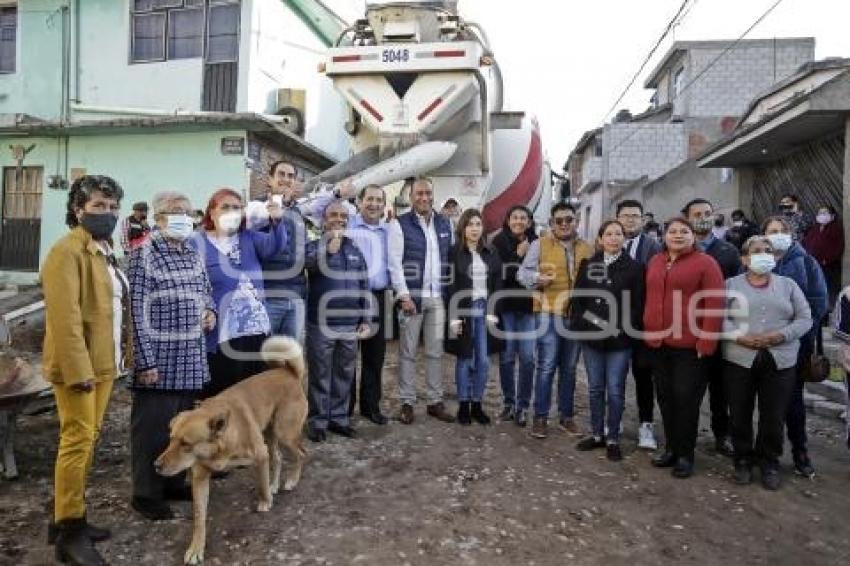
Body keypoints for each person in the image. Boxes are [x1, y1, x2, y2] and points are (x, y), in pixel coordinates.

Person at [42, 175, 128, 565]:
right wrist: (79, 371)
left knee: (87, 439)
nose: (107, 214)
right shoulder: (66, 252)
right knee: (77, 442)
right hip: (82, 368)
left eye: (112, 207)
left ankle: (66, 518)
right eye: (98, 206)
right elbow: (65, 320)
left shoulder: (103, 249)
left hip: (104, 363)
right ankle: (69, 534)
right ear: (78, 210)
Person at [128, 191, 216, 520]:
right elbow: (135, 312)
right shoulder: (144, 254)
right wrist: (144, 362)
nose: (182, 216)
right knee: (151, 429)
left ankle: (173, 482)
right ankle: (145, 493)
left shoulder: (192, 251)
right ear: (159, 218)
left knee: (180, 427)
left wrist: (210, 310)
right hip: (159, 361)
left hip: (190, 358)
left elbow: (206, 289)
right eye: (173, 211)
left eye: (186, 211)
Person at [722, 236, 812, 490]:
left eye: (768, 251)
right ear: (744, 258)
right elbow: (718, 317)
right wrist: (740, 337)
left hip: (780, 359)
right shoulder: (730, 285)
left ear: (776, 256)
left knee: (773, 415)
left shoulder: (788, 285)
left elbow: (805, 318)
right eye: (756, 251)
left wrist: (780, 335)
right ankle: (742, 459)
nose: (763, 254)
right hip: (739, 357)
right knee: (739, 412)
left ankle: (769, 461)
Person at [644, 218, 724, 479]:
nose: (678, 235)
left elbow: (715, 304)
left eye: (684, 231)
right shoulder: (656, 261)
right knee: (665, 398)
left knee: (686, 400)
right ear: (664, 236)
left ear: (693, 236)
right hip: (659, 343)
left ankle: (686, 455)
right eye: (673, 231)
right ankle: (671, 449)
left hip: (691, 346)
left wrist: (707, 341)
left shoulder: (706, 263)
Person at [191, 188, 286, 397]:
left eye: (236, 207)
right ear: (212, 212)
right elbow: (190, 282)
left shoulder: (249, 237)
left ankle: (248, 429)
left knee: (252, 391)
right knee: (222, 391)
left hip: (255, 328)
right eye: (225, 207)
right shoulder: (196, 241)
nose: (232, 211)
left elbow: (276, 245)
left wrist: (277, 221)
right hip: (220, 330)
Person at [313, 183, 393, 425]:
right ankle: (343, 409)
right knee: (345, 358)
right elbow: (316, 210)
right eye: (370, 199)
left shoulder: (389, 230)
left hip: (377, 296)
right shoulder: (346, 224)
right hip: (346, 297)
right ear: (359, 202)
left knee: (374, 356)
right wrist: (336, 193)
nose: (374, 204)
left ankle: (371, 406)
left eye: (379, 200)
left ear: (383, 205)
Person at [518, 202, 594, 439]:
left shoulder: (587, 249)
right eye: (559, 221)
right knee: (547, 366)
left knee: (570, 368)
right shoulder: (539, 245)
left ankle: (566, 416)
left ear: (576, 221)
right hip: (548, 313)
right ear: (551, 223)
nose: (564, 224)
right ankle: (540, 417)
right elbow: (523, 273)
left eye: (568, 220)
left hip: (575, 316)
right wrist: (537, 278)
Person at [571, 220, 644, 461]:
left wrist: (620, 327)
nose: (614, 238)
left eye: (618, 234)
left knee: (615, 390)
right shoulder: (588, 264)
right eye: (609, 234)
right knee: (594, 388)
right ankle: (596, 434)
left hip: (619, 341)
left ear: (624, 238)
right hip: (592, 338)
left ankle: (613, 437)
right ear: (600, 239)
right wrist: (597, 324)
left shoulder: (634, 268)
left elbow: (637, 306)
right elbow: (579, 301)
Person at [762, 216, 828, 478]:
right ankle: (767, 453)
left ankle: (800, 451)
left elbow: (818, 303)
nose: (777, 235)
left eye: (782, 231)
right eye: (772, 231)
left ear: (790, 234)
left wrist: (794, 333)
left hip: (795, 344)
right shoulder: (759, 261)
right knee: (765, 402)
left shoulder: (806, 262)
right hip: (760, 343)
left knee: (792, 401)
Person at [388, 177, 455, 424]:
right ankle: (407, 401)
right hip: (412, 299)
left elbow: (450, 260)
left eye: (428, 193)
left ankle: (435, 401)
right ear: (411, 197)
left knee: (436, 352)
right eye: (419, 194)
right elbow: (394, 264)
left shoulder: (445, 223)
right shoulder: (399, 224)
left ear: (433, 195)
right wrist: (404, 295)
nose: (424, 198)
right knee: (407, 352)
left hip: (438, 298)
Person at [304, 201, 371, 442]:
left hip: (350, 324)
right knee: (320, 373)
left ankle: (339, 419)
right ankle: (317, 421)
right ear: (324, 219)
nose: (339, 219)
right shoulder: (313, 246)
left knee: (344, 373)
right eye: (334, 215)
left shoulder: (354, 249)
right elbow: (308, 266)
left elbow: (364, 284)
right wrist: (328, 246)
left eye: (343, 216)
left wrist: (365, 317)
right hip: (321, 323)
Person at [683, 198, 741, 457]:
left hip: (720, 329)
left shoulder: (728, 251)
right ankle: (685, 437)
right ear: (687, 218)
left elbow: (737, 291)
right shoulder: (679, 250)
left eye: (708, 213)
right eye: (697, 214)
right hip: (686, 331)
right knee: (689, 390)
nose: (704, 217)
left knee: (721, 389)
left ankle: (722, 435)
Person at [445, 209, 503, 425]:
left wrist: (493, 312)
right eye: (470, 224)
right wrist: (453, 317)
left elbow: (497, 283)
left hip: (485, 309)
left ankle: (477, 404)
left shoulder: (491, 251)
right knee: (465, 359)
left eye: (478, 224)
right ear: (463, 228)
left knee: (484, 361)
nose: (475, 228)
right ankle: (463, 404)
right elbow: (450, 285)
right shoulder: (454, 252)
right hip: (464, 310)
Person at [616, 199, 662, 449]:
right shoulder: (609, 244)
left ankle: (646, 425)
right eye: (626, 215)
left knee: (644, 376)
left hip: (644, 324)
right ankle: (615, 419)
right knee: (616, 375)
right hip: (616, 323)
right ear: (617, 218)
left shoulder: (654, 247)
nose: (630, 220)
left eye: (635, 216)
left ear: (643, 219)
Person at [248, 160, 309, 342]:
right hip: (268, 296)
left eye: (290, 176)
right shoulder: (256, 207)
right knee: (265, 356)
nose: (286, 179)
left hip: (296, 296)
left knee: (292, 356)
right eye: (281, 174)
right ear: (270, 179)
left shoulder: (298, 210)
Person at [491, 205, 538, 426]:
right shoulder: (499, 242)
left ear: (529, 222)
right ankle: (509, 402)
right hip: (507, 306)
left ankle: (523, 405)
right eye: (515, 217)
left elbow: (537, 275)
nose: (519, 221)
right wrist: (517, 256)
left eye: (523, 218)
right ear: (508, 220)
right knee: (507, 357)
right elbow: (499, 275)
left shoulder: (537, 242)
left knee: (528, 359)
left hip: (529, 307)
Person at [803, 204, 844, 308]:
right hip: (814, 264)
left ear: (832, 216)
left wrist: (827, 259)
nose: (822, 215)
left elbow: (838, 247)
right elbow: (808, 242)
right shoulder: (815, 228)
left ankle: (829, 311)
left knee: (829, 289)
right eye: (820, 213)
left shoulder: (835, 228)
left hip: (828, 265)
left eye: (825, 213)